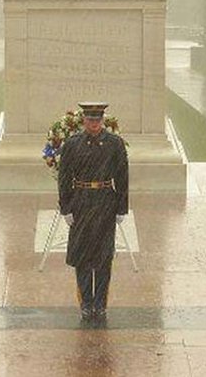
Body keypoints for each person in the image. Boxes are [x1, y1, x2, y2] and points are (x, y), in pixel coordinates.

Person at [58, 102, 129, 322]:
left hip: (105, 201)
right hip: (81, 202)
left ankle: (100, 303)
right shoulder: (72, 144)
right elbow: (64, 178)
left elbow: (122, 177)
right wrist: (66, 208)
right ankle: (86, 303)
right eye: (90, 120)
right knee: (83, 255)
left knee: (103, 256)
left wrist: (121, 208)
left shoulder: (114, 144)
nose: (94, 124)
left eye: (97, 120)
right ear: (84, 121)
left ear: (103, 121)